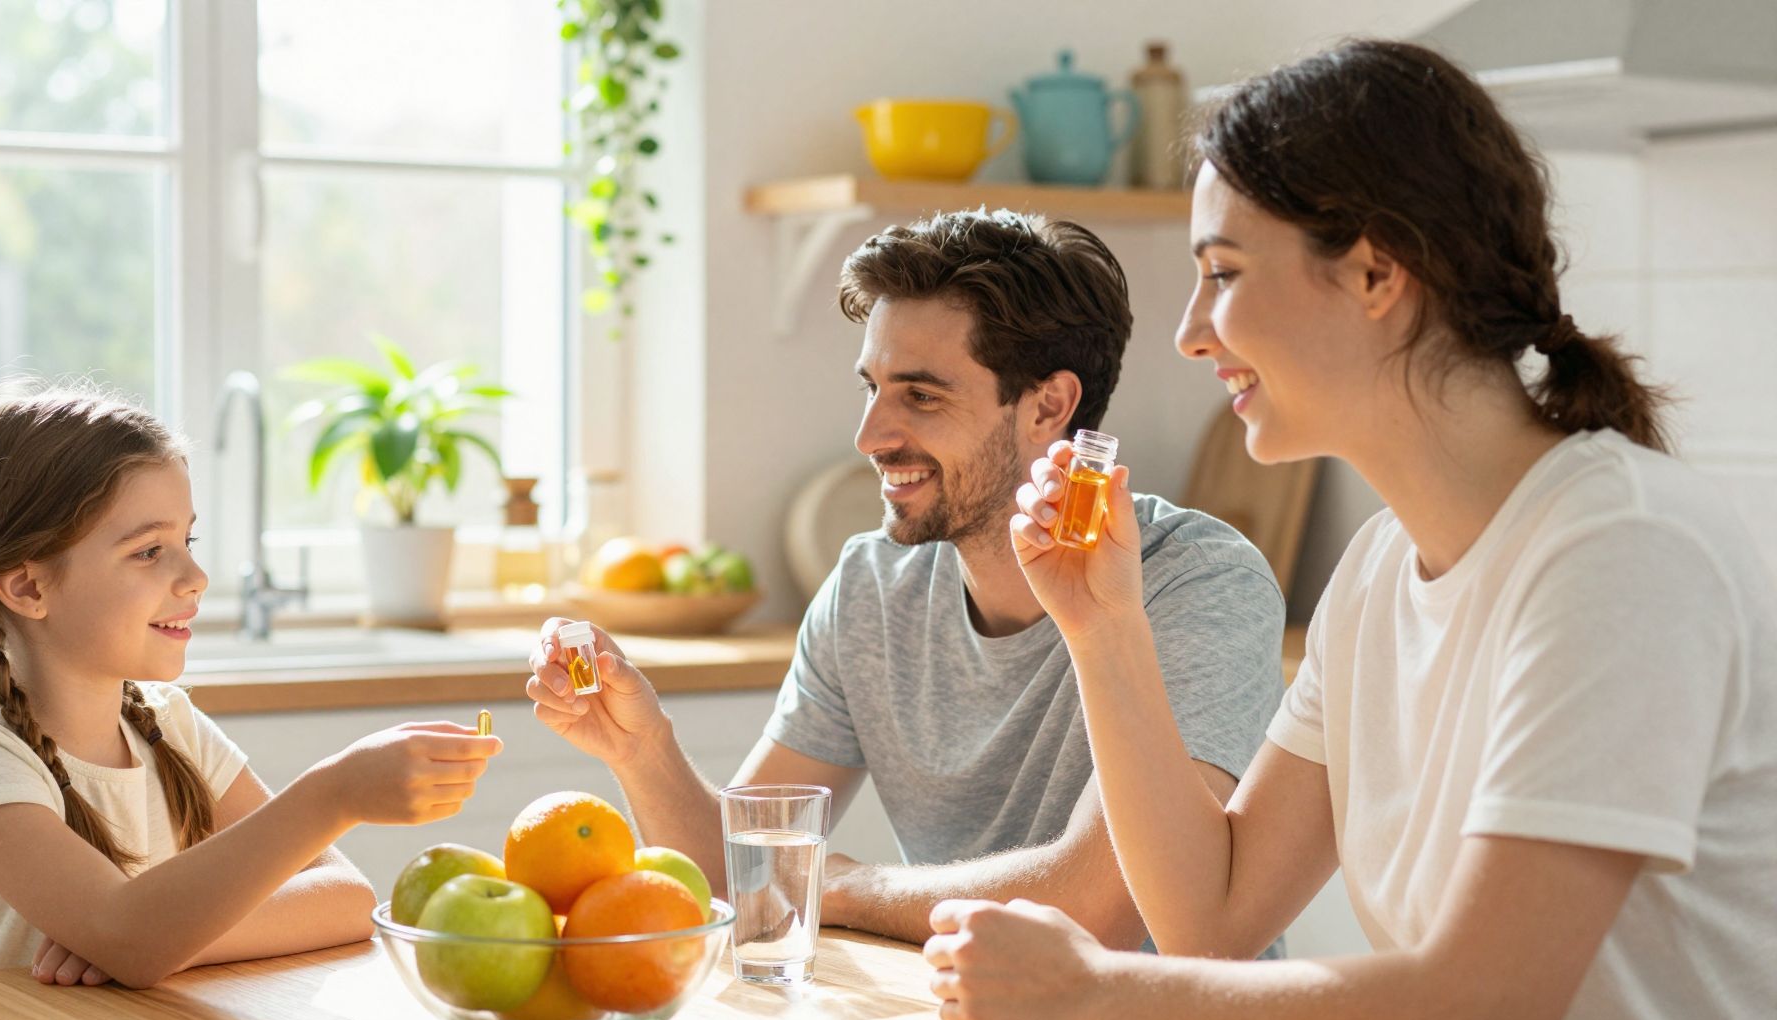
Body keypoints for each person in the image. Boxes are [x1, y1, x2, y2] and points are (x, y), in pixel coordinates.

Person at [924, 40, 1777, 1020]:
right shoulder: (1380, 570)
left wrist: (1087, 992)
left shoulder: (1620, 551)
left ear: (1378, 274)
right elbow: (1213, 918)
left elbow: (1473, 1019)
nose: (1190, 333)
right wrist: (1103, 628)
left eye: (1223, 274)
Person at [528, 211, 1286, 946]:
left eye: (921, 395)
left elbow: (1098, 909)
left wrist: (845, 888)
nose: (870, 437)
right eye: (872, 388)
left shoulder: (1198, 583)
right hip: (957, 1010)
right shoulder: (873, 586)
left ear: (1048, 406)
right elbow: (743, 876)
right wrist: (641, 749)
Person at [0, 388, 498, 987]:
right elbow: (127, 934)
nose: (196, 577)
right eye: (148, 551)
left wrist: (168, 941)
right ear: (28, 588)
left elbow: (346, 898)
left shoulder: (168, 725)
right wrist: (333, 794)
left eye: (187, 543)